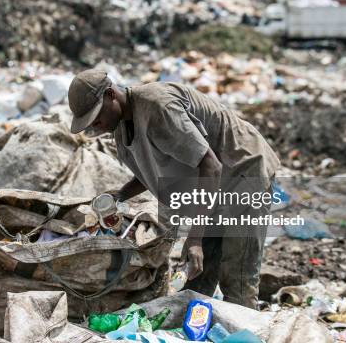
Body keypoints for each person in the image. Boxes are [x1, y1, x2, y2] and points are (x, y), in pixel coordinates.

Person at [67, 69, 280, 309]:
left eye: (97, 118)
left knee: (237, 281)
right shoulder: (121, 125)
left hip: (243, 172)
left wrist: (196, 237)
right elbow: (151, 169)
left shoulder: (158, 107)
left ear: (110, 94)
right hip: (212, 190)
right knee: (196, 281)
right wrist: (121, 195)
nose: (97, 126)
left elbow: (210, 166)